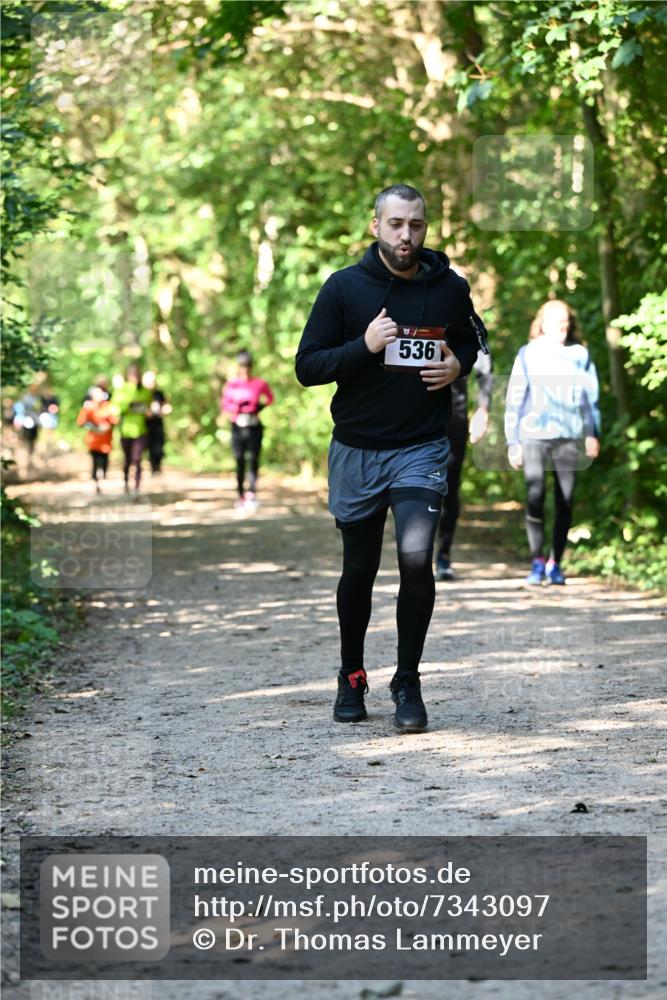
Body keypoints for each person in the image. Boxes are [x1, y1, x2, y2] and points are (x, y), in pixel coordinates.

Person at [295, 184, 489, 733]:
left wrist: (458, 368)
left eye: (417, 225)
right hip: (356, 450)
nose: (407, 235)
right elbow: (307, 366)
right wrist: (365, 345)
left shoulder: (449, 287)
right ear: (375, 226)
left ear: (427, 228)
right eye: (397, 224)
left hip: (422, 449)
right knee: (359, 569)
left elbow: (471, 340)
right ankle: (351, 674)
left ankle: (407, 679)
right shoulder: (343, 289)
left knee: (414, 561)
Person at [505, 298, 600, 586]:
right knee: (534, 497)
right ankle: (536, 562)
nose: (561, 328)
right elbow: (515, 397)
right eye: (555, 323)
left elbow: (589, 397)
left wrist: (592, 432)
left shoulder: (579, 354)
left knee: (565, 500)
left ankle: (555, 562)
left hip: (568, 435)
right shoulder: (528, 353)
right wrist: (513, 441)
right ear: (542, 324)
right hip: (532, 434)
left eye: (565, 324)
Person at [435, 350, 494, 581]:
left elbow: (485, 371)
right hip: (411, 417)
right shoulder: (406, 315)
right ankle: (415, 554)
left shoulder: (464, 322)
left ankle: (444, 554)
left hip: (453, 418)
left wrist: (483, 409)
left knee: (449, 486)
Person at [221, 351, 274, 510]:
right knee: (239, 460)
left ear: (251, 367)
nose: (245, 370)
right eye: (243, 366)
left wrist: (259, 406)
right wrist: (237, 407)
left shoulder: (259, 383)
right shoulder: (232, 385)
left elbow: (270, 398)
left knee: (253, 459)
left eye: (248, 366)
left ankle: (251, 492)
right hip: (237, 426)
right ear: (239, 368)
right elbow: (225, 405)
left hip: (254, 426)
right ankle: (240, 494)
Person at [113, 363, 153, 494]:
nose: (134, 376)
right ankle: (125, 480)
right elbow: (116, 408)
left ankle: (137, 485)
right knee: (128, 459)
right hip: (126, 430)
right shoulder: (121, 390)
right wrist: (130, 406)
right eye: (132, 374)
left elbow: (148, 408)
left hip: (141, 430)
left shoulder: (145, 391)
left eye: (136, 373)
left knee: (137, 458)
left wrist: (144, 409)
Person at [77, 385, 119, 493]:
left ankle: (103, 479)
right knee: (95, 462)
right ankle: (95, 482)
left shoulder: (108, 406)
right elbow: (81, 422)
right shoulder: (88, 407)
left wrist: (108, 426)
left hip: (106, 442)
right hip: (93, 442)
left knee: (104, 461)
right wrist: (95, 428)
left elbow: (114, 420)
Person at [142, 371, 171, 475]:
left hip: (158, 423)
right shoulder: (142, 394)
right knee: (149, 446)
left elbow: (167, 405)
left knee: (159, 446)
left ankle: (158, 466)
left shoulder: (159, 394)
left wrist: (165, 410)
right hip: (146, 424)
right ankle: (153, 467)